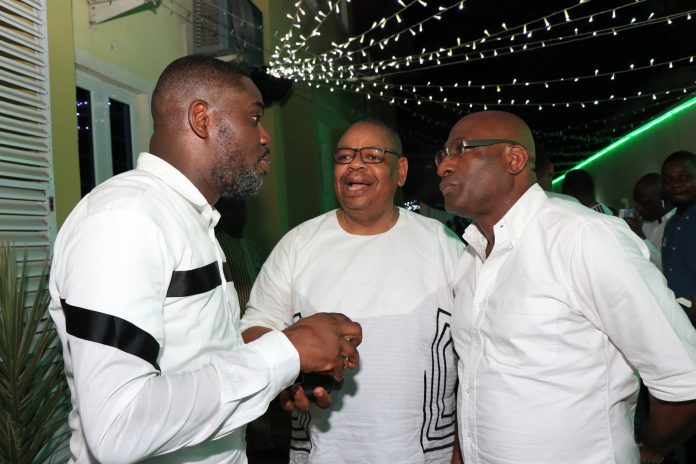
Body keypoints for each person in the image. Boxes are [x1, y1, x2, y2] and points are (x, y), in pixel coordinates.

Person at [48, 55, 362, 463]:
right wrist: (284, 353)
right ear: (202, 118)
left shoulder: (193, 220)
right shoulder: (125, 218)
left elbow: (200, 362)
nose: (265, 137)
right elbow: (118, 427)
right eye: (254, 118)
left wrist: (287, 369)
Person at [435, 110, 696, 464]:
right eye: (442, 155)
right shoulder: (470, 258)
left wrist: (650, 447)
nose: (443, 166)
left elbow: (683, 379)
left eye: (459, 149)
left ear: (514, 159)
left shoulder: (582, 237)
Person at [240, 120, 464, 464]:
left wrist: (464, 447)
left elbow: (477, 351)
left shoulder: (443, 245)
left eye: (372, 156)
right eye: (344, 157)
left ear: (401, 171)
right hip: (321, 455)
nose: (354, 165)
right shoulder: (298, 244)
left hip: (422, 455)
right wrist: (285, 376)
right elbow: (254, 329)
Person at [661, 151, 696, 324]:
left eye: (683, 177)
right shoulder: (671, 225)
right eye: (668, 180)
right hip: (681, 322)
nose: (676, 185)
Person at [624, 173, 674, 271]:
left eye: (644, 203)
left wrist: (641, 237)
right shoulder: (645, 222)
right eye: (636, 202)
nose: (638, 208)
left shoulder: (677, 225)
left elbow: (667, 268)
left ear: (662, 201)